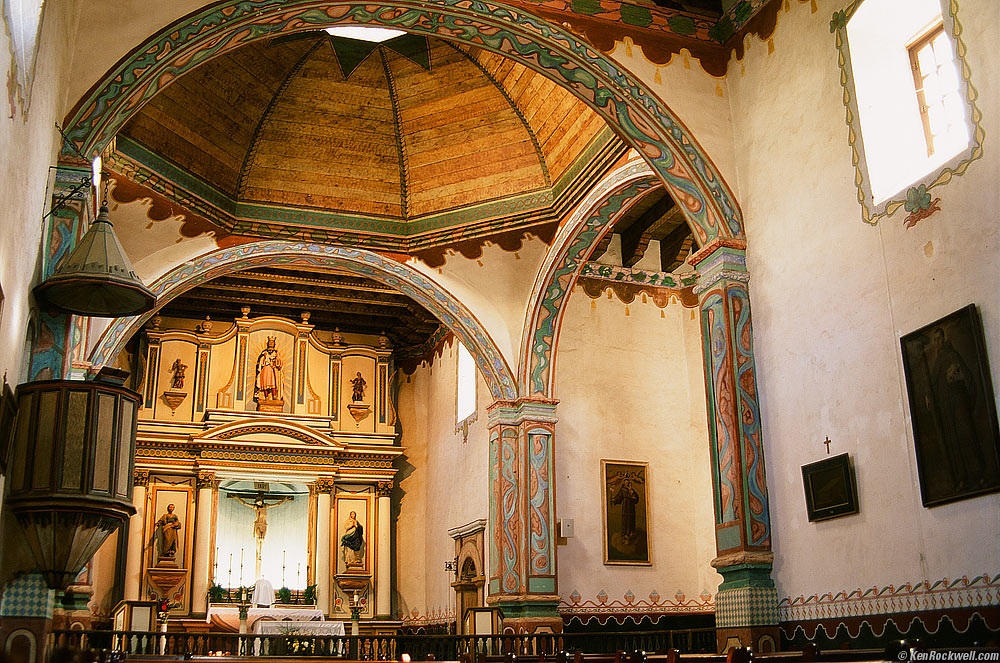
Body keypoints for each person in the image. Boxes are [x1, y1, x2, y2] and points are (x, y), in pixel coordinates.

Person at [254, 336, 283, 402]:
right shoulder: (264, 352)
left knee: (273, 382)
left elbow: (279, 363)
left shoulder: (276, 353)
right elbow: (260, 362)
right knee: (265, 383)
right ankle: (266, 396)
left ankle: (274, 395)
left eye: (272, 342)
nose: (271, 343)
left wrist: (275, 362)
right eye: (270, 342)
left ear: (274, 344)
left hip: (272, 370)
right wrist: (264, 358)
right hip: (265, 369)